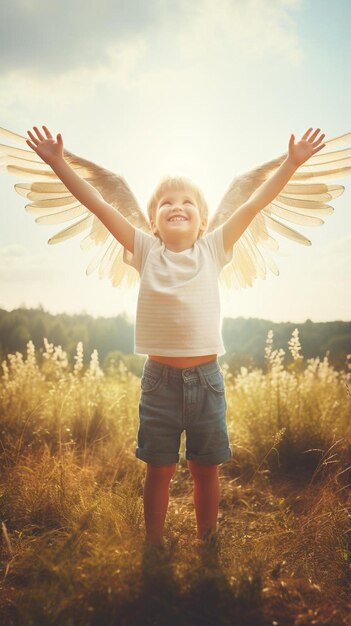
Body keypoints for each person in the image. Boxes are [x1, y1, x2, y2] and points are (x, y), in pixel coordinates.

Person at [25, 125, 326, 550]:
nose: (176, 206)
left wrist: (291, 163)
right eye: (166, 203)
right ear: (152, 222)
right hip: (159, 383)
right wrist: (58, 163)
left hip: (206, 381)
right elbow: (97, 204)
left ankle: (209, 545)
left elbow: (256, 202)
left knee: (207, 470)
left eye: (187, 202)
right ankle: (153, 546)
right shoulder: (144, 250)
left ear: (204, 221)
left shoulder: (214, 248)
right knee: (158, 471)